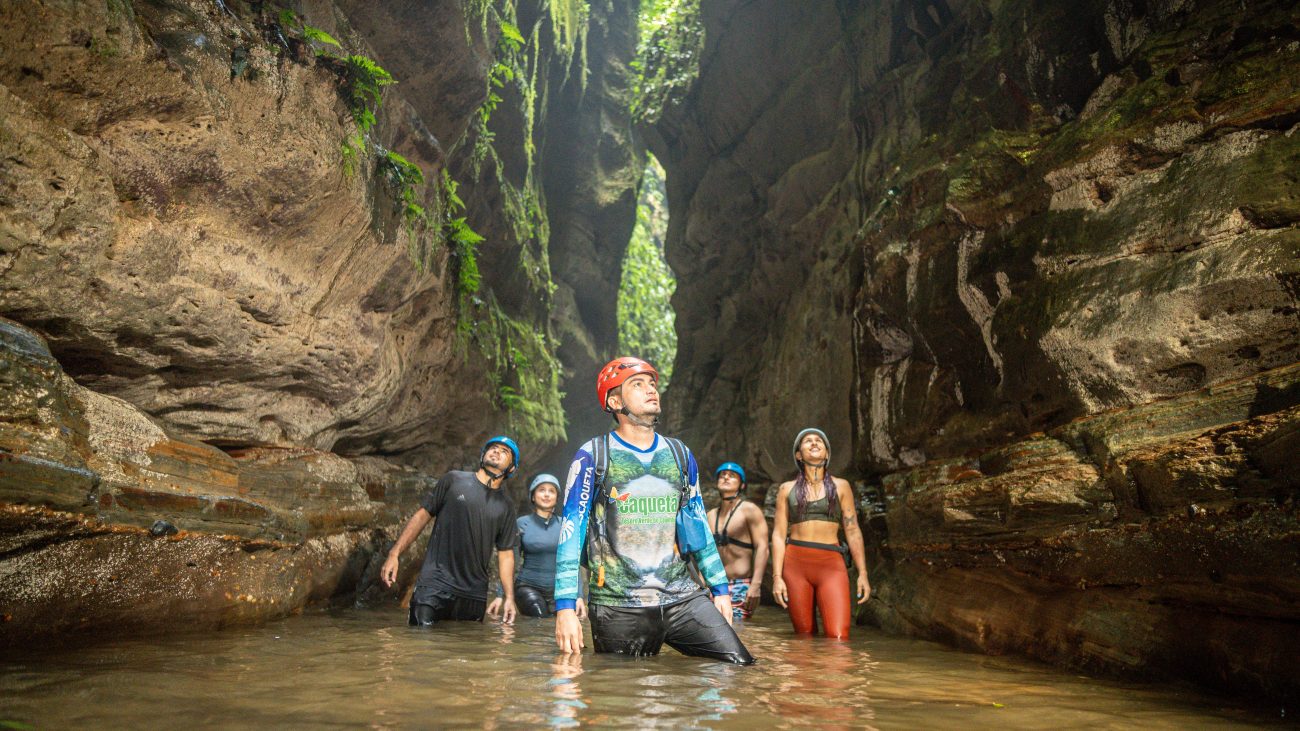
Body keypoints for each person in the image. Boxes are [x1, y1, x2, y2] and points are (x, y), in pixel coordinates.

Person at [553, 356, 754, 664]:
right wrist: (566, 606)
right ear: (614, 400)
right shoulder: (592, 456)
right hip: (618, 604)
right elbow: (571, 530)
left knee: (740, 667)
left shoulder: (680, 454)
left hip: (682, 597)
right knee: (626, 696)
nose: (651, 390)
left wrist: (720, 589)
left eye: (652, 384)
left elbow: (697, 524)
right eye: (638, 384)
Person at [381, 435, 522, 625]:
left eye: (504, 451)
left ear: (511, 468)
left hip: (473, 594)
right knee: (419, 645)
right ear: (483, 455)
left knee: (462, 651)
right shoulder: (453, 480)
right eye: (493, 448)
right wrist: (394, 553)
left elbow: (505, 554)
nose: (496, 451)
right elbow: (422, 516)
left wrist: (509, 597)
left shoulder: (506, 506)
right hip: (434, 584)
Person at [770, 428, 870, 639]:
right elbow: (778, 535)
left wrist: (863, 573)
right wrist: (777, 577)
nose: (814, 443)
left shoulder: (841, 486)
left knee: (838, 636)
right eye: (808, 441)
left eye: (819, 441)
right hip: (795, 564)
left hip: (831, 563)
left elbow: (852, 530)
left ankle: (834, 672)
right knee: (803, 636)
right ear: (799, 455)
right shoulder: (786, 489)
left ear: (826, 454)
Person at [487, 474, 587, 619]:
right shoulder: (522, 523)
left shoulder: (565, 526)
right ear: (533, 496)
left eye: (551, 491)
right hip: (528, 587)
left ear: (557, 498)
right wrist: (501, 595)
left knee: (557, 626)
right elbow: (511, 560)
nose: (546, 494)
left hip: (558, 592)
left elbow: (573, 563)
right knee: (540, 620)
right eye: (541, 490)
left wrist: (578, 596)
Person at [705, 462, 770, 621]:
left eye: (732, 475)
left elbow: (762, 547)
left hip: (740, 584)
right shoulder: (710, 515)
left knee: (740, 632)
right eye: (722, 475)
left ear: (742, 485)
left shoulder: (749, 510)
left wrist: (756, 585)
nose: (726, 477)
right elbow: (705, 554)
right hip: (714, 585)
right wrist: (702, 586)